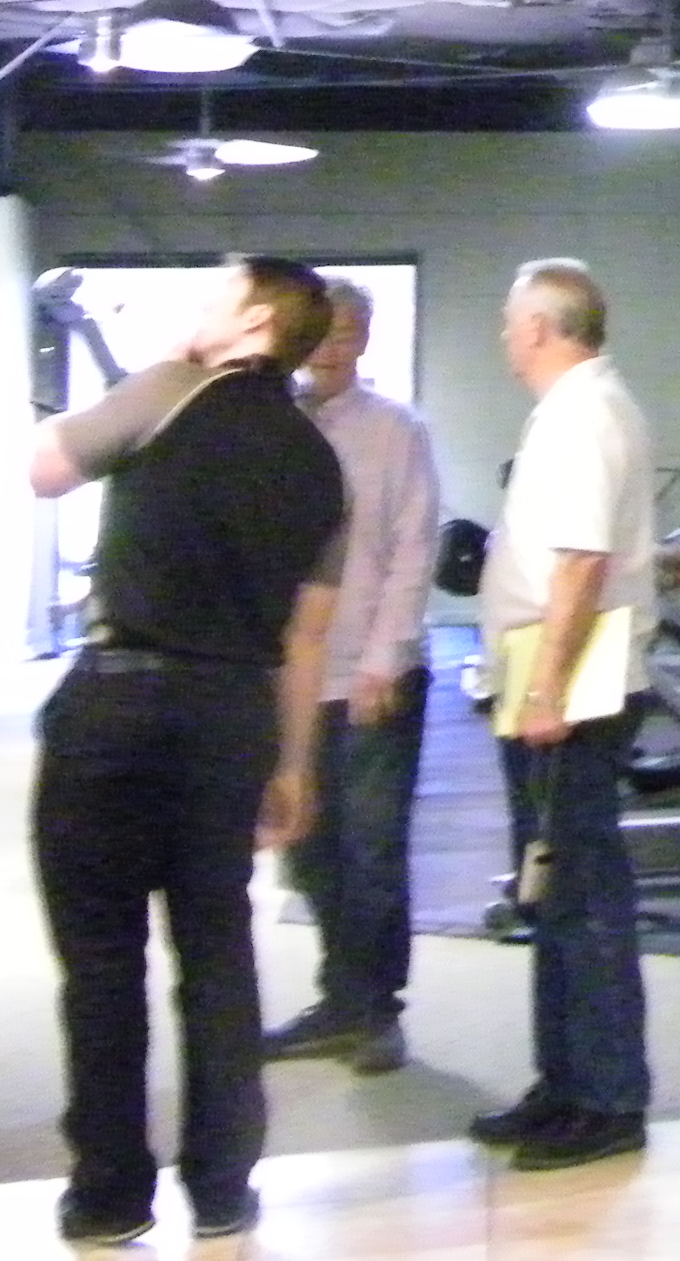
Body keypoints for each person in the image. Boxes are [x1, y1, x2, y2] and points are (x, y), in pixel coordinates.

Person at [27, 255, 349, 1247]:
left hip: (119, 703)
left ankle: (109, 1193)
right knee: (216, 950)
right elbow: (306, 637)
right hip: (231, 715)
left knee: (101, 958)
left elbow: (45, 468)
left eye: (215, 294)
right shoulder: (319, 463)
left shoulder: (167, 388)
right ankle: (222, 1188)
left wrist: (156, 367)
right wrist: (292, 764)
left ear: (255, 321)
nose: (196, 307)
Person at [469, 258, 656, 1172]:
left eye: (512, 321)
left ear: (541, 327)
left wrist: (546, 689)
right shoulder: (575, 409)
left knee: (579, 897)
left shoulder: (584, 415)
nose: (505, 335)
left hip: (572, 686)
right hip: (549, 676)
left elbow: (581, 564)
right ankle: (566, 1083)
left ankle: (609, 1100)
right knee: (549, 892)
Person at [264, 281, 441, 1076]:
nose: (331, 350)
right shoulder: (271, 426)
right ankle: (339, 997)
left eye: (346, 335)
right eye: (320, 336)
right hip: (290, 679)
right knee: (307, 844)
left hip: (372, 675)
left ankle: (377, 1011)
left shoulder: (397, 431)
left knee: (372, 850)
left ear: (365, 340)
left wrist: (384, 657)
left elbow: (413, 547)